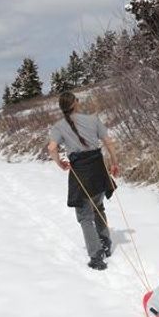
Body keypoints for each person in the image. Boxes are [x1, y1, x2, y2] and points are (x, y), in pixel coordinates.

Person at [47, 91, 119, 270]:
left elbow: (52, 148)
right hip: (98, 169)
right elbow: (108, 142)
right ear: (75, 104)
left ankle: (96, 256)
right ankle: (105, 243)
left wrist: (60, 163)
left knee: (85, 216)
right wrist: (114, 162)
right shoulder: (93, 119)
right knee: (98, 206)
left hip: (80, 172)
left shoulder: (58, 126)